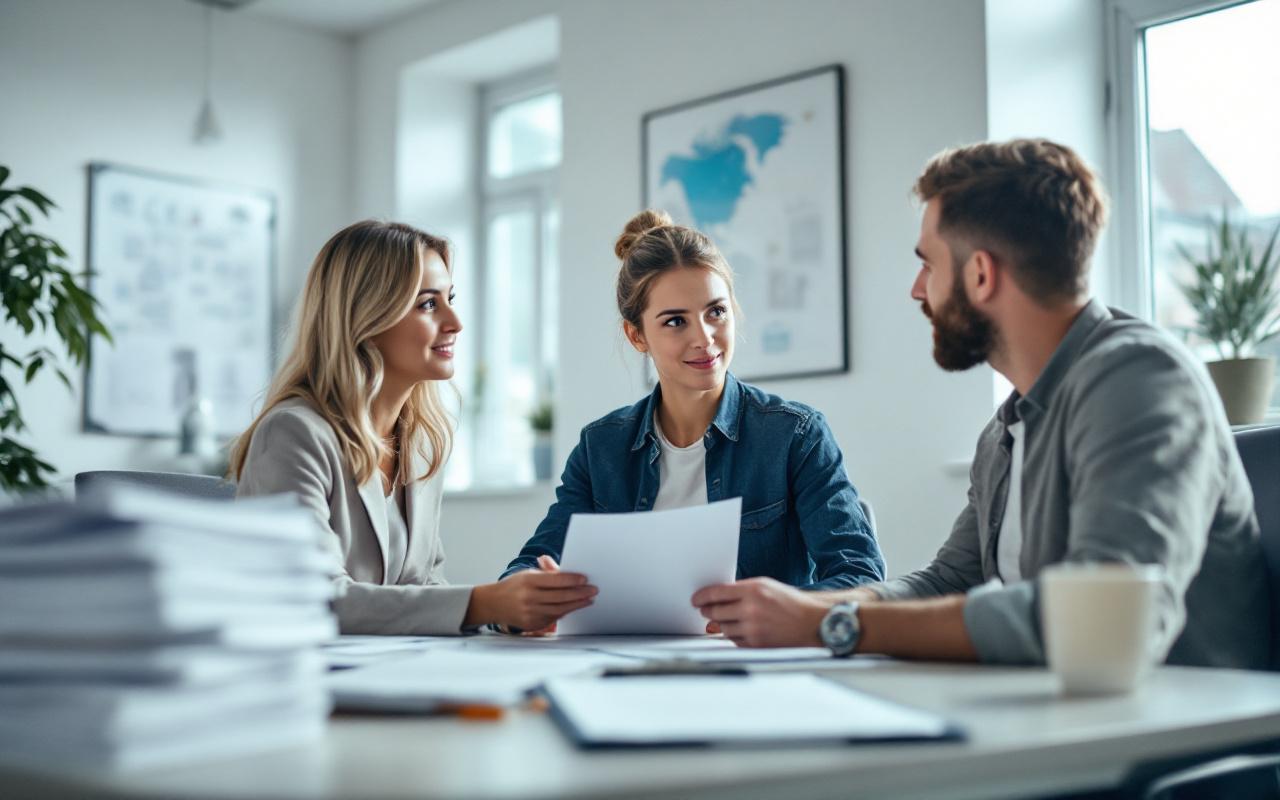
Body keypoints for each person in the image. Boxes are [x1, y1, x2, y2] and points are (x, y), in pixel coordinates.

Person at [693, 139, 1271, 669]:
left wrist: (833, 622)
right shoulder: (1008, 426)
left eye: (928, 264)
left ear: (980, 273)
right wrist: (793, 608)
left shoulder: (1141, 380)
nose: (917, 289)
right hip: (1062, 723)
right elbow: (950, 581)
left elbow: (1105, 623)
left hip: (1182, 749)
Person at [231, 220, 597, 635]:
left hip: (398, 676)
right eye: (427, 304)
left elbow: (423, 588)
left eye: (450, 299)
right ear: (366, 316)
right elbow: (311, 597)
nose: (455, 322)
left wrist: (506, 616)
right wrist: (483, 603)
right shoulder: (293, 434)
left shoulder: (421, 443)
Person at [503, 210, 885, 598]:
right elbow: (528, 568)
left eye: (715, 312)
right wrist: (527, 597)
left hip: (755, 656)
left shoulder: (796, 436)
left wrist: (780, 607)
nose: (704, 338)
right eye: (675, 322)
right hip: (626, 653)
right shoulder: (600, 448)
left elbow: (861, 574)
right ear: (637, 336)